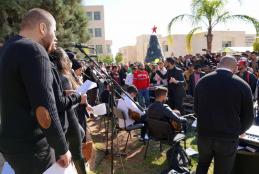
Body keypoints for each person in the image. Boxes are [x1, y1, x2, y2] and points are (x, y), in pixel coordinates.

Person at [0, 8, 71, 174]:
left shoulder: (6, 49)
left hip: (10, 144)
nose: (54, 37)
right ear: (42, 28)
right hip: (32, 148)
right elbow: (45, 108)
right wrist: (62, 147)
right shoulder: (34, 50)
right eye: (54, 31)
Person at [194, 56, 254, 174]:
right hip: (228, 137)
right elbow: (249, 116)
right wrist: (238, 130)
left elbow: (196, 109)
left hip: (204, 134)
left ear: (218, 65)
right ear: (235, 68)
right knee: (222, 171)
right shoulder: (242, 85)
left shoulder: (202, 81)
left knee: (202, 165)